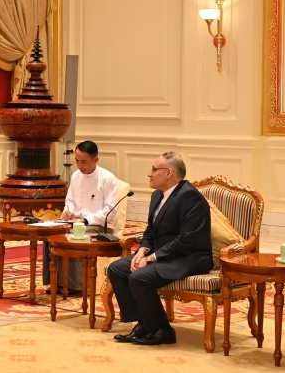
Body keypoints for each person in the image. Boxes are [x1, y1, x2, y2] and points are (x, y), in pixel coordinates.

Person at [107, 151, 212, 346]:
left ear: (169, 172)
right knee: (117, 268)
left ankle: (163, 330)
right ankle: (145, 324)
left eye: (154, 169)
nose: (149, 173)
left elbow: (187, 240)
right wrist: (142, 251)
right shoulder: (158, 195)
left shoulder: (190, 197)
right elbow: (151, 230)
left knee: (139, 277)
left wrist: (152, 258)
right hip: (163, 254)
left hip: (189, 258)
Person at [41, 140, 120, 295]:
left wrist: (85, 220)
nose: (79, 165)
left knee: (71, 235)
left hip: (99, 225)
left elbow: (110, 211)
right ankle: (55, 281)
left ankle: (76, 285)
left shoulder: (108, 179)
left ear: (95, 159)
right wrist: (68, 211)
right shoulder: (76, 176)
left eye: (84, 162)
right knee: (49, 234)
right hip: (74, 221)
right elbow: (70, 200)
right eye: (77, 161)